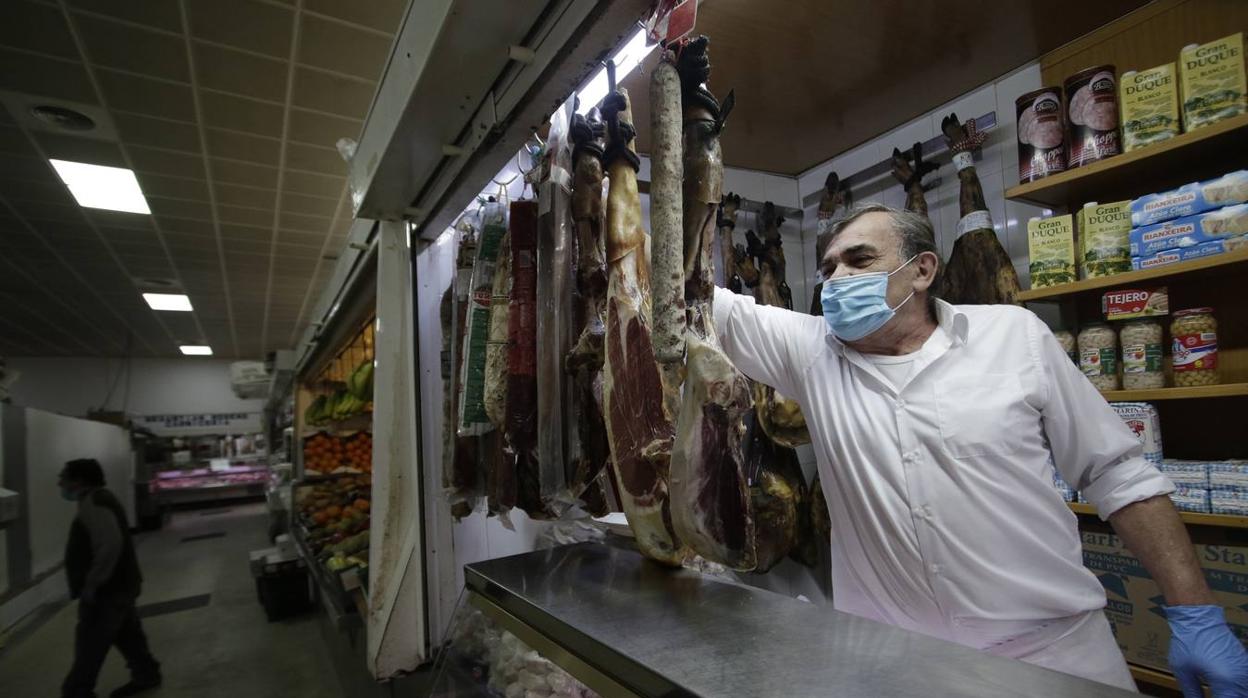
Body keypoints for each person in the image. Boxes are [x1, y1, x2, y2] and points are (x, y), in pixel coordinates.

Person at [712, 204, 1248, 694]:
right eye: (828, 268)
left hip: (1054, 658)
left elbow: (1119, 474)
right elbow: (684, 293)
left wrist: (1194, 611)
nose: (836, 281)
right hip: (897, 668)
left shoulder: (1014, 336)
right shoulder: (811, 354)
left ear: (922, 271)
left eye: (859, 260)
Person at [59, 458, 162, 698]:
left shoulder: (95, 503)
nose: (59, 483)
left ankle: (77, 691)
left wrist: (93, 584)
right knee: (128, 635)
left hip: (108, 589)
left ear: (79, 480)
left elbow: (109, 546)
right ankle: (146, 674)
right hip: (120, 585)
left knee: (90, 643)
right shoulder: (99, 499)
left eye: (63, 477)